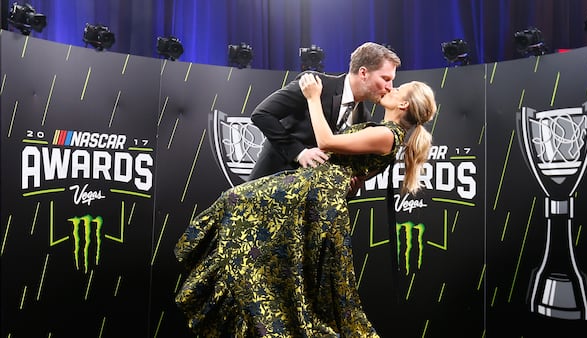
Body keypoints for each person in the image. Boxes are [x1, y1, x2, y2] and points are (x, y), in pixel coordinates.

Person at [174, 73, 437, 337]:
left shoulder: (387, 134)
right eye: (389, 79)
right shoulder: (383, 132)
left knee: (236, 201)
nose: (391, 87)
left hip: (316, 197)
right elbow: (356, 174)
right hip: (314, 190)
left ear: (403, 105)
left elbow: (326, 142)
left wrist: (313, 98)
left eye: (398, 87)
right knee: (274, 256)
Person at [248, 42, 401, 182]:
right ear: (363, 73)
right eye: (385, 78)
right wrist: (299, 152)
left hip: (310, 201)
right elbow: (262, 114)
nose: (390, 86)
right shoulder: (315, 84)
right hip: (270, 186)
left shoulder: (363, 117)